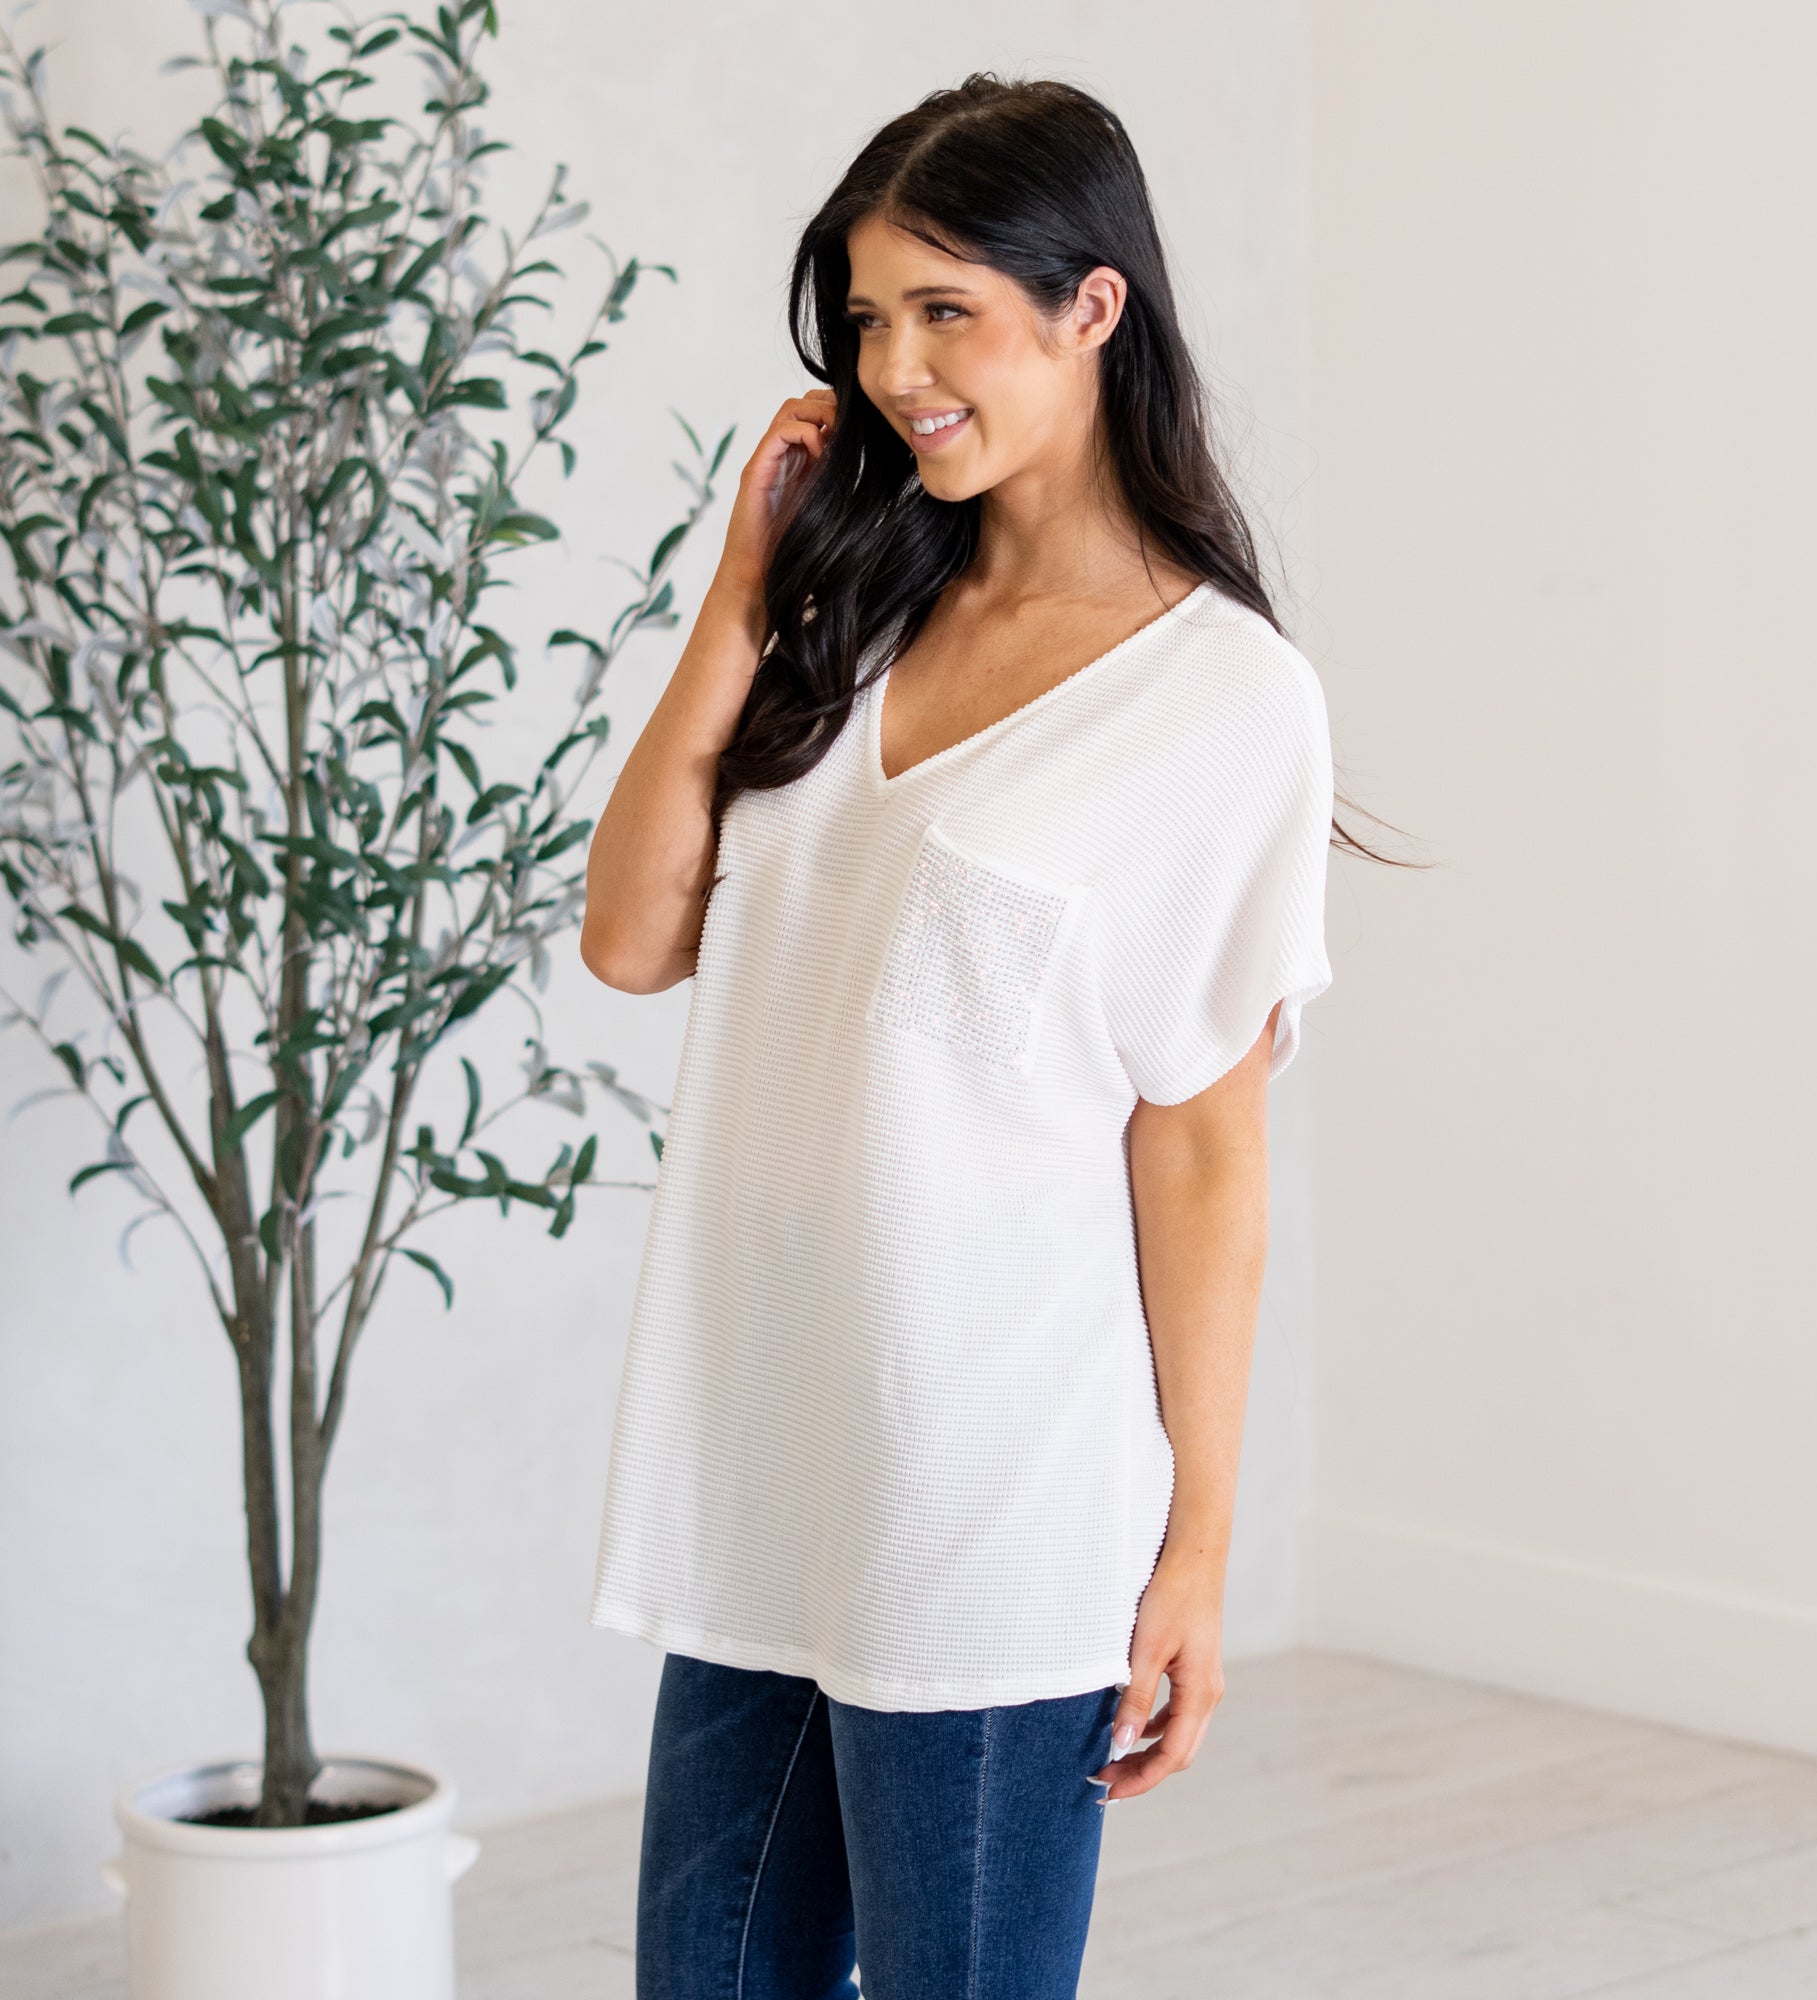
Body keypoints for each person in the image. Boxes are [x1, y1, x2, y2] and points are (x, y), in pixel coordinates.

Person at [580, 70, 1375, 2000]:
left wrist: (1196, 1549)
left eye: (945, 311)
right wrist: (743, 592)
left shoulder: (1221, 701)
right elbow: (631, 938)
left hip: (995, 1508)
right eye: (868, 319)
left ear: (1093, 306)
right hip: (766, 1473)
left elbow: (1204, 1151)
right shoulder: (858, 603)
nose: (893, 369)